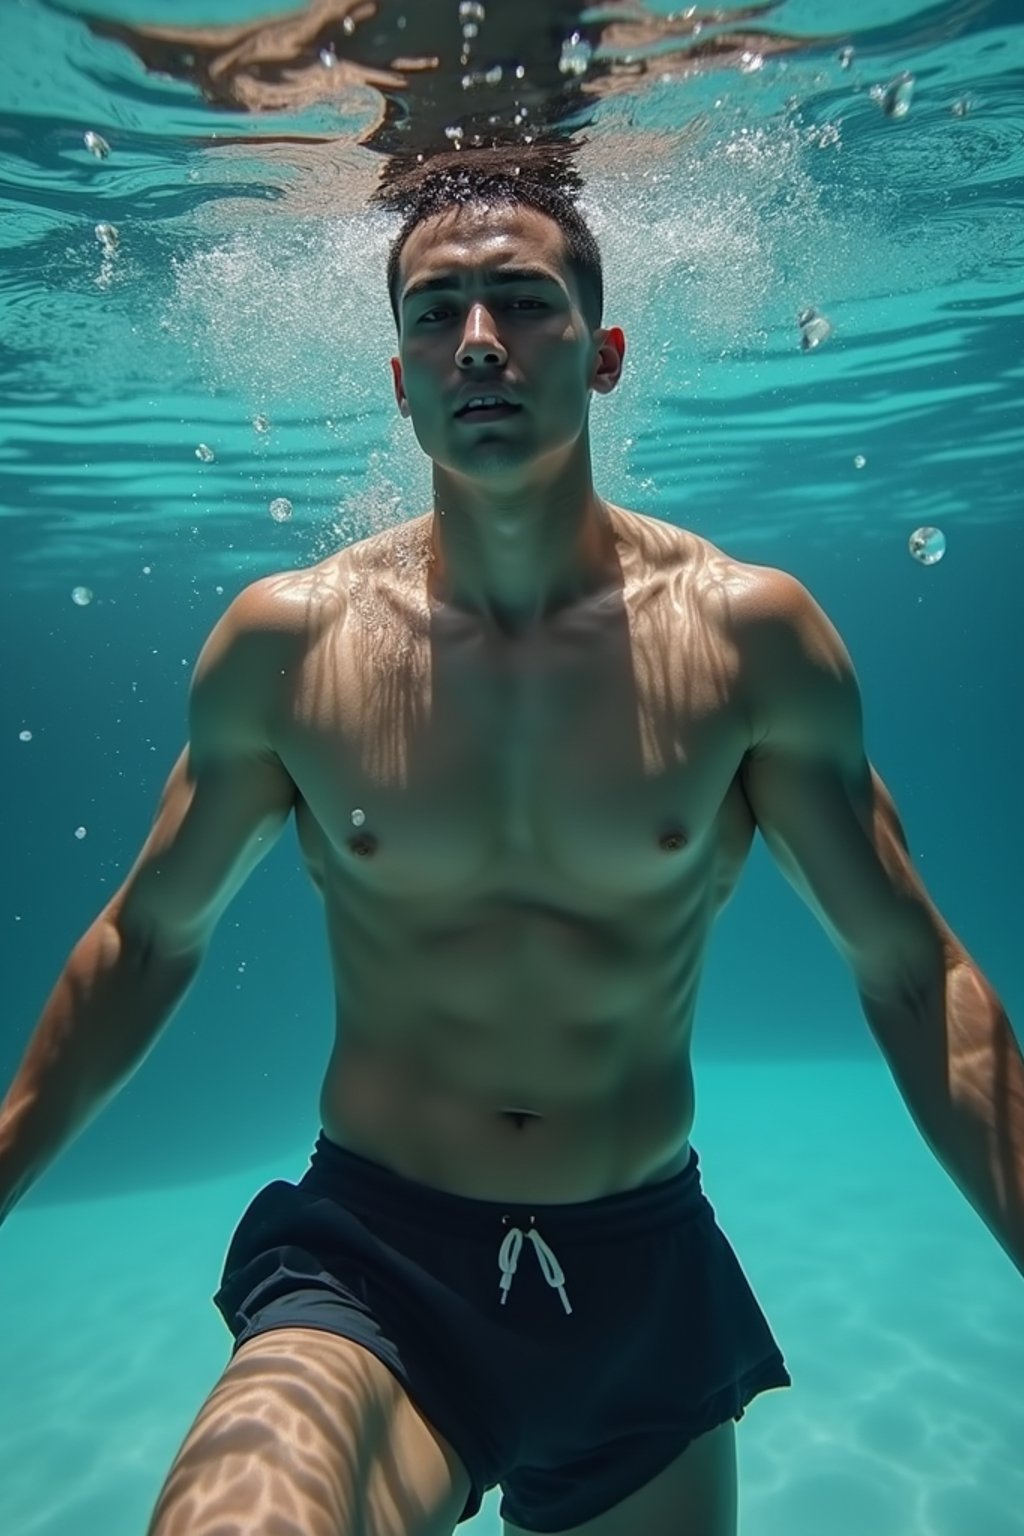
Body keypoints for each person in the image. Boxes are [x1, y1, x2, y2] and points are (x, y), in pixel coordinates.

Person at [2, 153, 1021, 1536]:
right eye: (437, 314)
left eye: (524, 302)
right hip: (374, 1267)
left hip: (638, 1273)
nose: (479, 342)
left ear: (602, 356)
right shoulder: (289, 647)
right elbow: (144, 941)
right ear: (399, 377)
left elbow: (913, 975)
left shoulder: (745, 640)